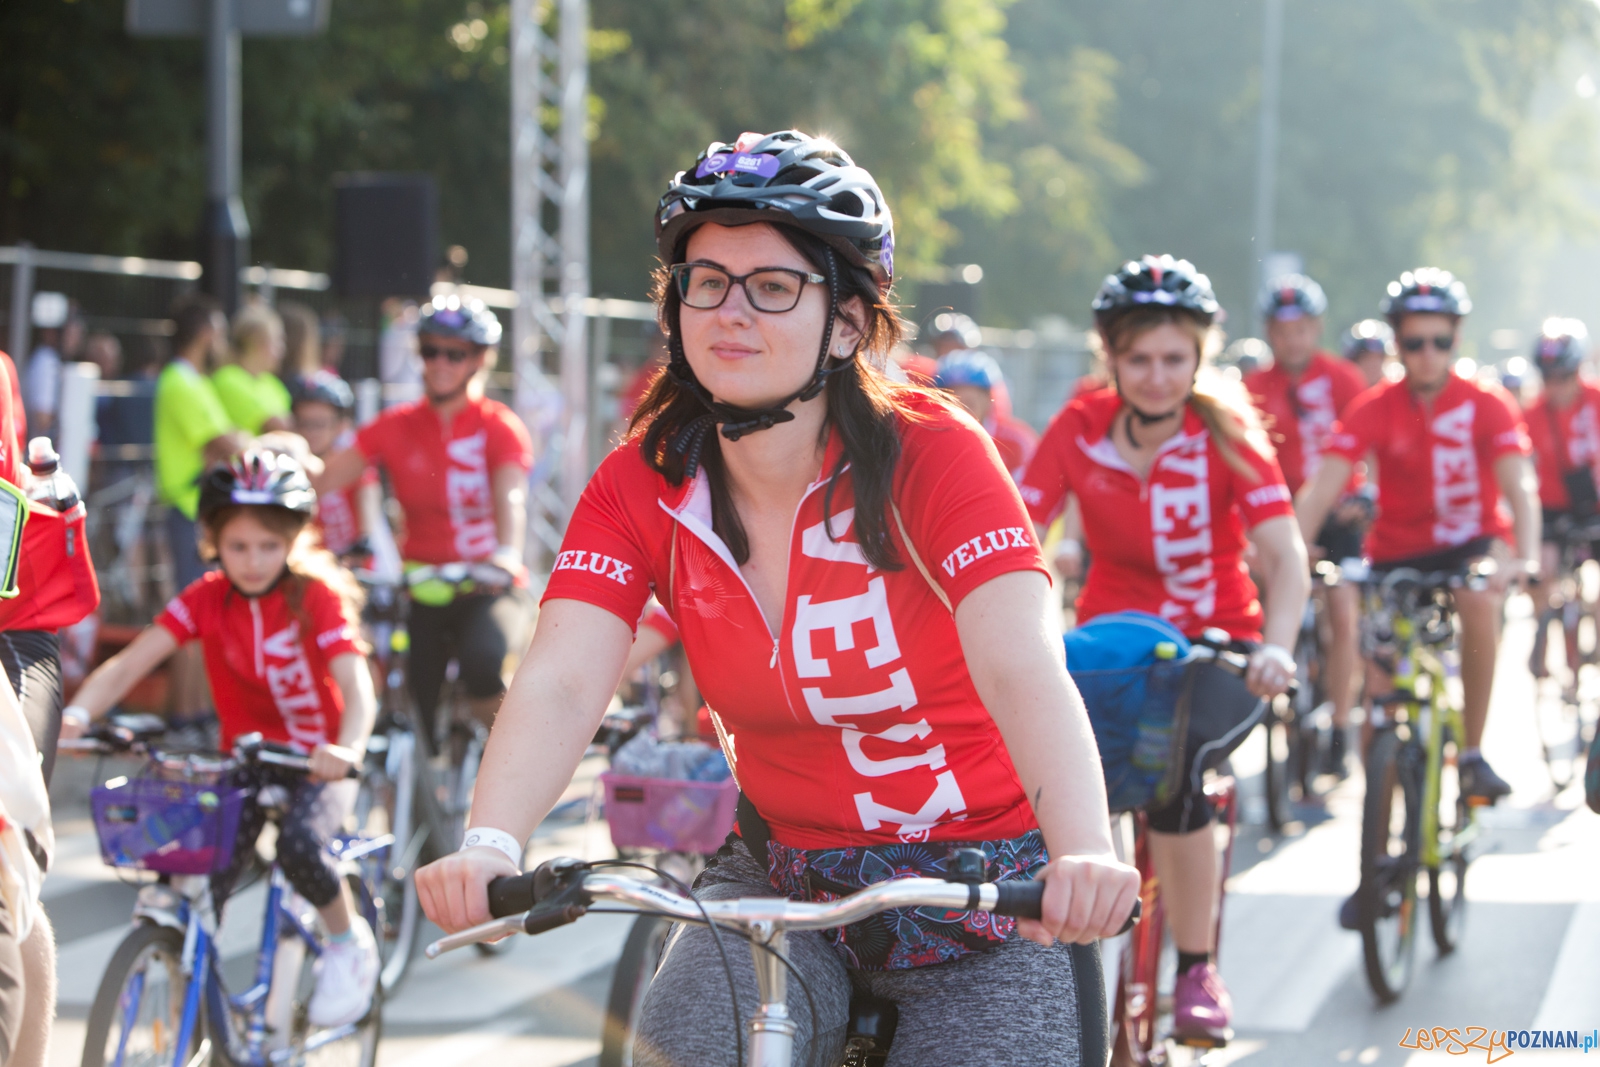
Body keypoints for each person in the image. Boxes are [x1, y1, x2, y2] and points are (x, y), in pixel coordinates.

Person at [417, 129, 1139, 1066]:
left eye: (774, 285)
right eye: (705, 279)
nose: (730, 310)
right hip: (781, 878)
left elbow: (1021, 660)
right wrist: (489, 842)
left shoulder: (931, 450)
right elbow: (559, 680)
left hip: (984, 890)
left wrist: (1081, 846)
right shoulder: (640, 483)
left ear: (845, 321)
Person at [1018, 253, 1308, 1045]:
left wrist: (1277, 648)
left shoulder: (1230, 429)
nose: (1155, 376)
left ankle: (1197, 969)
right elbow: (1011, 534)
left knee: (1175, 768)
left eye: (1174, 359)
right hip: (1113, 651)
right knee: (1048, 770)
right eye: (1137, 358)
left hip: (1223, 651)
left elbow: (1285, 558)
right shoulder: (1078, 426)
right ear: (1109, 355)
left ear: (1199, 356)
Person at [61, 450, 381, 1026]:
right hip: (248, 758)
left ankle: (346, 942)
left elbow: (358, 690)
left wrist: (348, 750)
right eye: (238, 546)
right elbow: (129, 665)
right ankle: (191, 997)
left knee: (302, 850)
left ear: (293, 540)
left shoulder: (315, 597)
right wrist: (77, 717)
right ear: (212, 541)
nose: (253, 561)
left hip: (317, 763)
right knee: (197, 865)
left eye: (268, 545)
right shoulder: (207, 597)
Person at [1298, 268, 1538, 823]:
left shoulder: (1487, 402)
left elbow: (1519, 486)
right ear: (1396, 343)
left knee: (1479, 599)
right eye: (1413, 342)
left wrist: (1524, 556)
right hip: (1395, 554)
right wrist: (1295, 549)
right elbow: (1321, 489)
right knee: (1379, 695)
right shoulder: (1373, 407)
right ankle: (1376, 843)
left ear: (1456, 339)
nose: (1427, 354)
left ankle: (1473, 753)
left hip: (1471, 543)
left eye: (1440, 341)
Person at [313, 296, 533, 737]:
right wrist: (280, 459)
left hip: (488, 584)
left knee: (483, 664)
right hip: (421, 585)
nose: (440, 363)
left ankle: (512, 762)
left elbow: (511, 497)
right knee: (415, 696)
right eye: (430, 351)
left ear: (480, 360)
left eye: (456, 353)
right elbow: (322, 481)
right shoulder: (395, 425)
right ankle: (422, 787)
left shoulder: (500, 425)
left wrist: (506, 554)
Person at [1244, 274, 1369, 776]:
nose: (1292, 339)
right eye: (1282, 329)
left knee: (1343, 611)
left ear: (1316, 328)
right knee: (1262, 595)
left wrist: (1362, 495)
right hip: (1274, 518)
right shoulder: (1252, 388)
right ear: (1270, 333)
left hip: (1338, 517)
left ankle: (1340, 722)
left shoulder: (1343, 380)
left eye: (1301, 329)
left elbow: (1367, 447)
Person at [1521, 319, 1598, 687]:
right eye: (1547, 378)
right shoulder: (1531, 415)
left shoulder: (1597, 399)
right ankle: (1541, 635)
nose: (1555, 387)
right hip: (1552, 507)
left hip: (1595, 505)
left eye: (1563, 377)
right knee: (1543, 569)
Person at [291, 373, 385, 561]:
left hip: (353, 565)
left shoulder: (349, 462)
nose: (311, 432)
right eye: (304, 423)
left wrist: (364, 538)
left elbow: (368, 490)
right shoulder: (291, 463)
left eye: (320, 424)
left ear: (341, 425)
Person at [933, 349, 1039, 479]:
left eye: (970, 404)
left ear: (989, 399)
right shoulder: (929, 443)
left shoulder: (1017, 441)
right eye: (953, 404)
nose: (962, 413)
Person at [214, 302, 293, 434]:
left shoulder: (273, 383)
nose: (282, 349)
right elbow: (277, 426)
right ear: (257, 342)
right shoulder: (227, 378)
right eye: (277, 341)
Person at [21, 294, 83, 441]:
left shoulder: (50, 359)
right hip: (38, 456)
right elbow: (42, 418)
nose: (78, 334)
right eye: (71, 326)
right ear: (52, 332)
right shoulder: (45, 360)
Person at [1342, 319, 1395, 389]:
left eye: (1377, 359)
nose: (1373, 365)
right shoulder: (1345, 393)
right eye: (1366, 359)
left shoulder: (1393, 394)